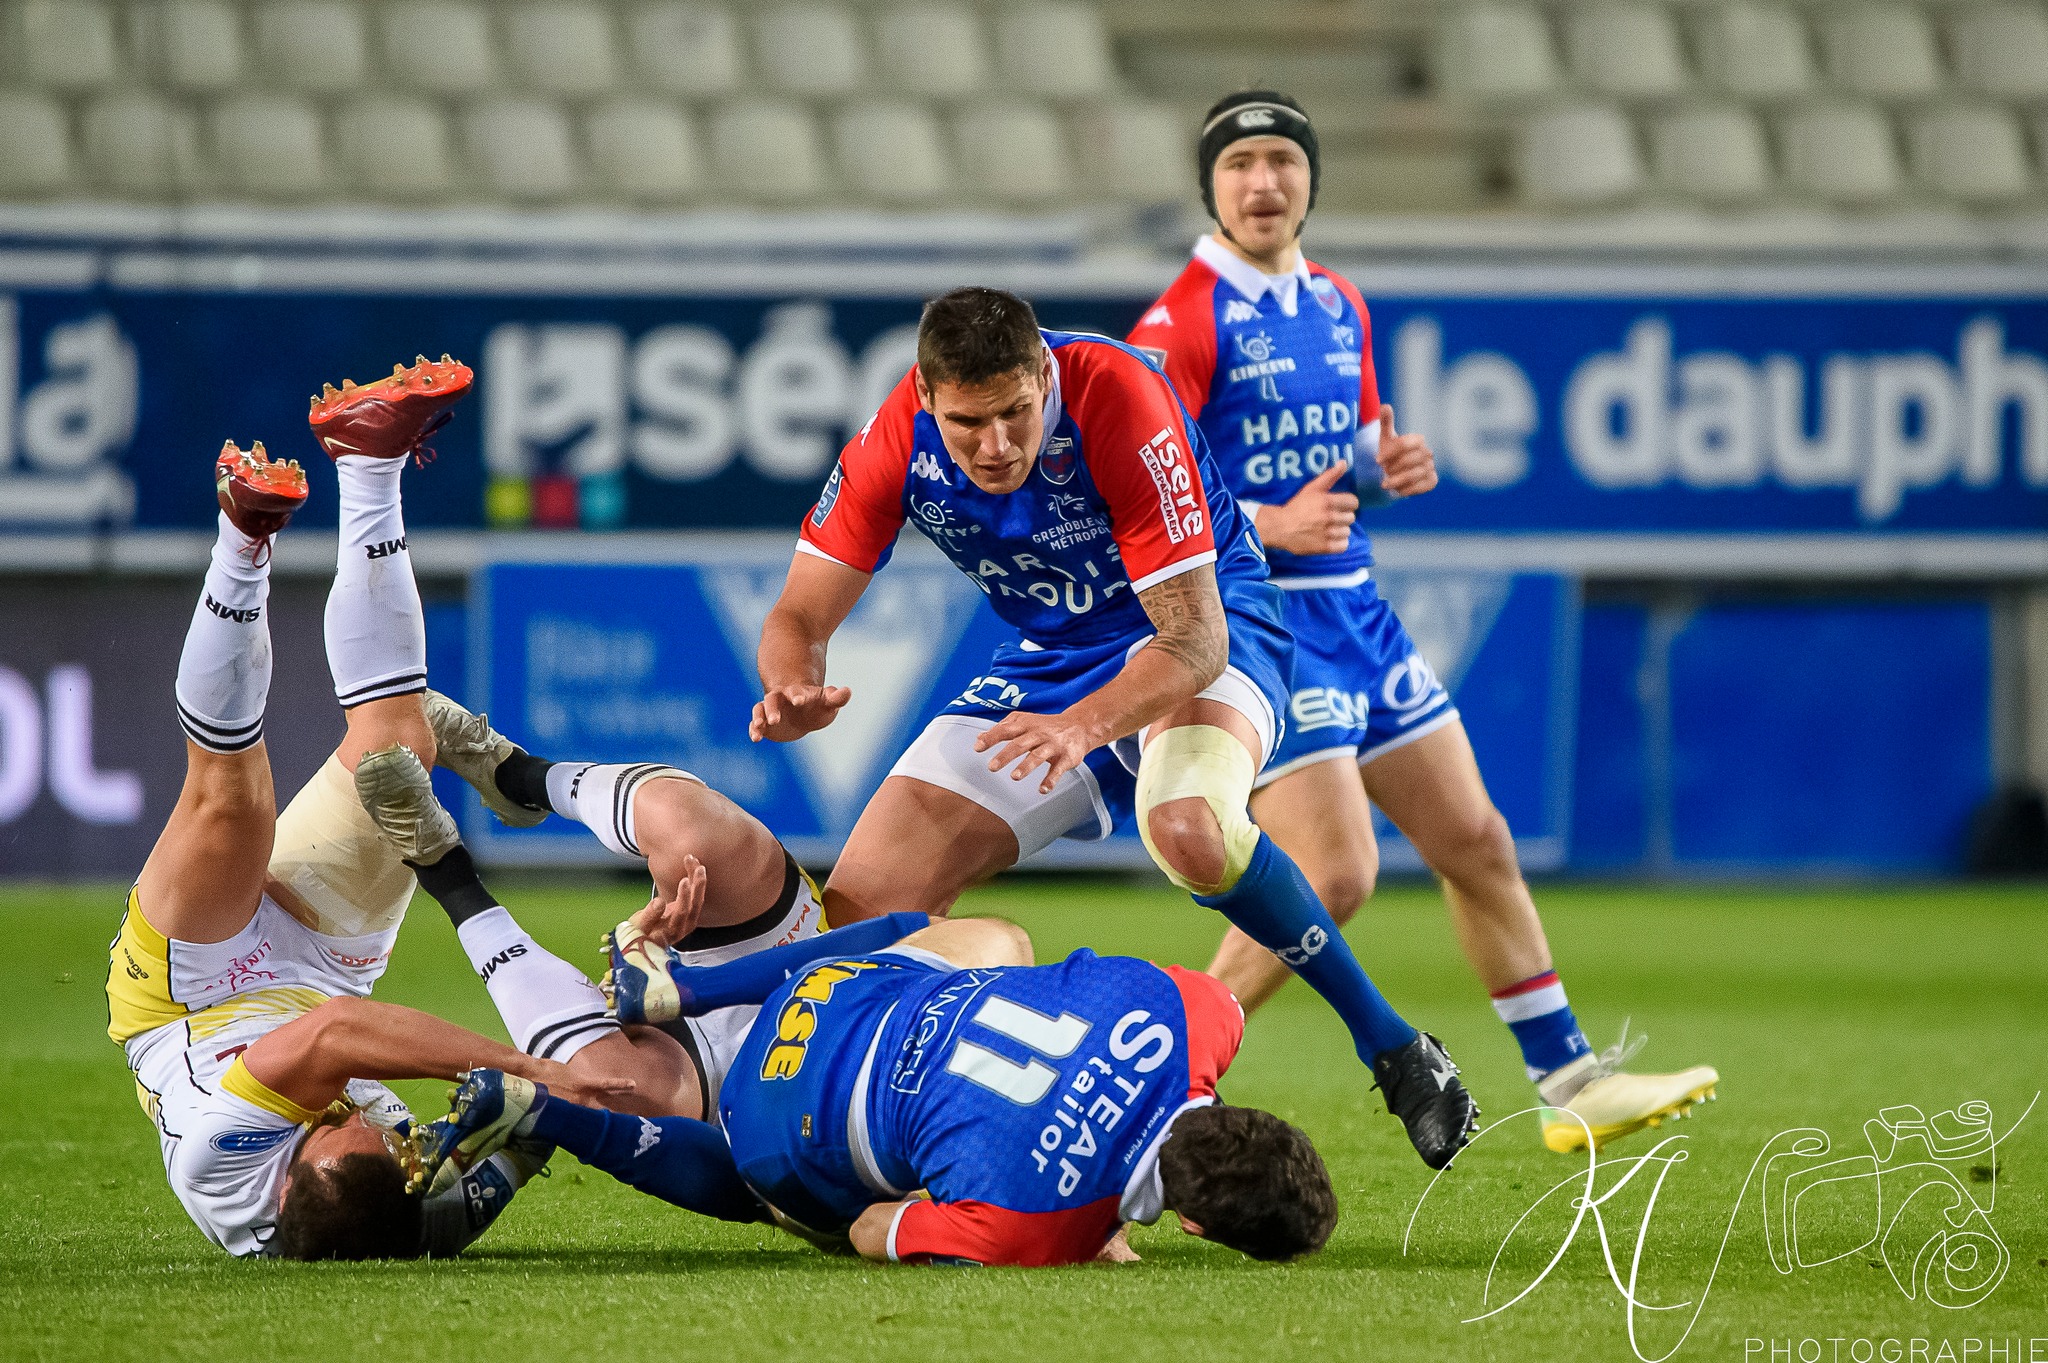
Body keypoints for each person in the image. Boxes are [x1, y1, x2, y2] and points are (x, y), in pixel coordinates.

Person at [749, 286, 1477, 1169]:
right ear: (927, 395)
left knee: (1188, 826)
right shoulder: (892, 439)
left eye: (1017, 412)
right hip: (1056, 654)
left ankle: (1396, 1049)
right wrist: (791, 685)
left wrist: (1084, 728)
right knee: (864, 906)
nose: (999, 444)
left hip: (1212, 621)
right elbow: (798, 614)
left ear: (1045, 376)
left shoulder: (1118, 395)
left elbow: (1193, 638)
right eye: (969, 422)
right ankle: (929, 1133)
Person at [1127, 91, 1718, 1153]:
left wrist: (1376, 473)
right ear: (1209, 186)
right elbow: (1152, 489)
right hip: (1270, 625)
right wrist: (1270, 520)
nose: (1262, 183)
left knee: (1473, 838)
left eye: (1281, 161)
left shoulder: (1338, 304)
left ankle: (1566, 1080)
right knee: (1338, 873)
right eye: (1239, 165)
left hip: (1358, 612)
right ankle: (1165, 1082)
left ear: (1310, 178)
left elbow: (1333, 474)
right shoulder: (1178, 323)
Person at [105, 362, 629, 1260]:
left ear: (295, 1169)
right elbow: (533, 1143)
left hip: (190, 991)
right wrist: (600, 1055)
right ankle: (368, 457)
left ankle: (243, 537)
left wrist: (524, 1069)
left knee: (229, 801)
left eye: (352, 1131)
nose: (390, 1130)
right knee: (398, 752)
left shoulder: (221, 1160)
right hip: (321, 970)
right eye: (399, 1143)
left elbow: (337, 1038)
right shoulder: (409, 1203)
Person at [422, 908, 1339, 1267]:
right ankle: (554, 1118)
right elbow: (867, 1229)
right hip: (768, 1113)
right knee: (805, 1207)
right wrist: (1089, 1232)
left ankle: (679, 990)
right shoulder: (1040, 1229)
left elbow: (1180, 1003)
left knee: (998, 940)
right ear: (1194, 1223)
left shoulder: (1204, 1015)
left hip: (832, 986)